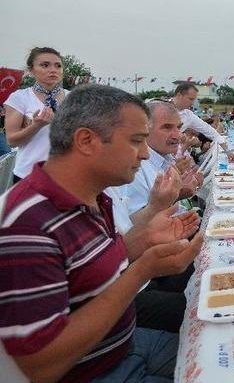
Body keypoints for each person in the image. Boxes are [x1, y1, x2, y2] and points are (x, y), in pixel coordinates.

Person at [0, 84, 203, 382]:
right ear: (86, 141)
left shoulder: (93, 197)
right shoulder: (26, 224)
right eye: (136, 141)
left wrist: (145, 237)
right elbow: (41, 366)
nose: (146, 154)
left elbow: (101, 266)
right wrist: (142, 270)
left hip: (124, 346)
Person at [4, 47, 68, 181]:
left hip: (65, 176)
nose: (53, 70)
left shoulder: (74, 98)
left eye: (58, 66)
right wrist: (36, 126)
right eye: (45, 65)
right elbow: (12, 141)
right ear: (31, 70)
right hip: (28, 175)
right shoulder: (20, 97)